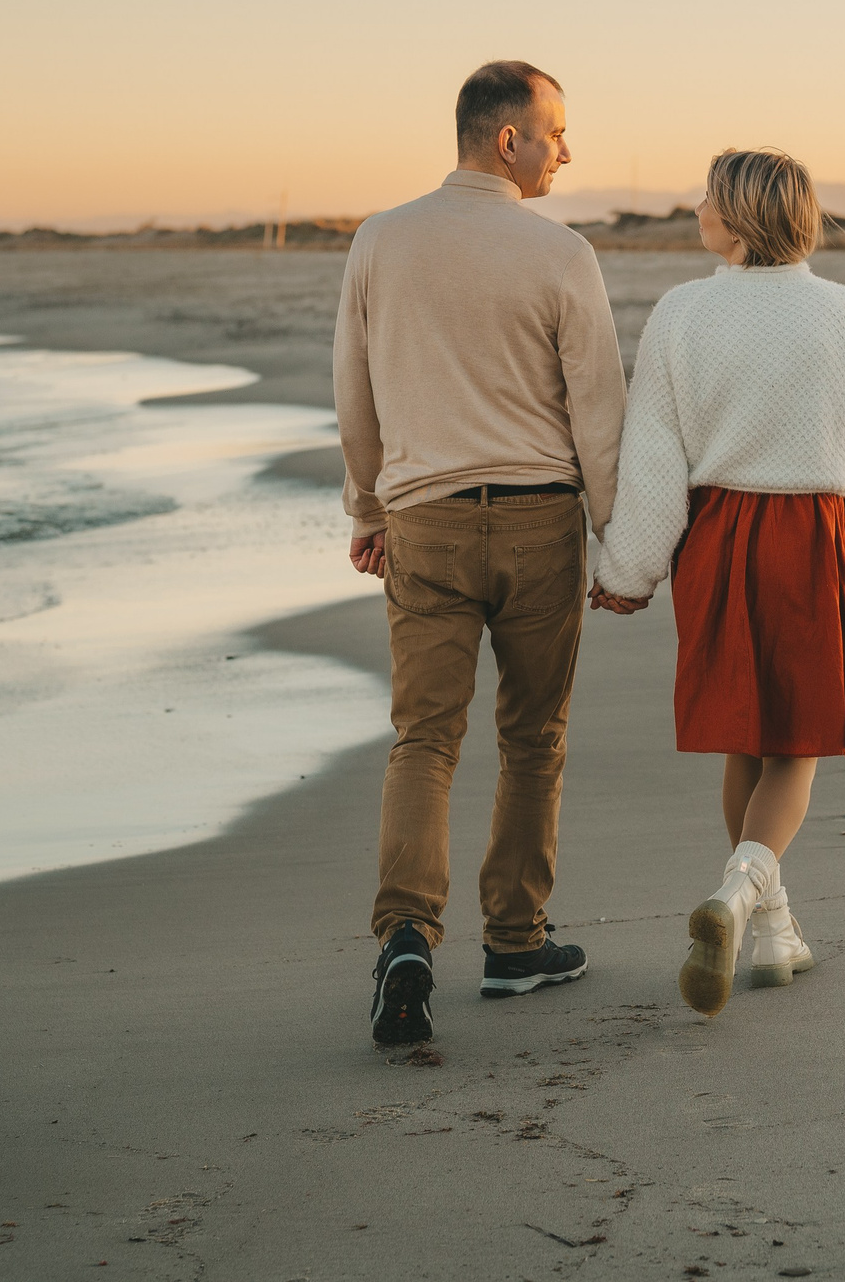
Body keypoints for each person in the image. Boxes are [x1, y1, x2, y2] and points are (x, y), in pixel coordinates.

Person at [336, 60, 627, 1048]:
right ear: (508, 139)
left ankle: (408, 935)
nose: (566, 149)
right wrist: (618, 535)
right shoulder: (560, 253)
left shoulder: (381, 241)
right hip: (541, 519)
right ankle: (512, 941)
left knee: (424, 735)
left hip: (426, 520)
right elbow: (598, 407)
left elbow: (355, 390)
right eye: (556, 130)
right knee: (531, 734)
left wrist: (367, 503)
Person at [590, 148, 845, 1017]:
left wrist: (629, 568)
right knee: (796, 744)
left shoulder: (683, 313)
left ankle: (770, 928)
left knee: (745, 734)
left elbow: (655, 457)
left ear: (738, 217)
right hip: (813, 534)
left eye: (708, 198)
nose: (696, 208)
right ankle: (740, 901)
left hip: (719, 536)